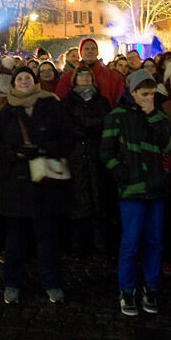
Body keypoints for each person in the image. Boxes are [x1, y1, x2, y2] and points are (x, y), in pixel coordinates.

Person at [0, 66, 74, 304]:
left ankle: (52, 282)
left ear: (35, 82)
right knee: (16, 240)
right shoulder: (7, 112)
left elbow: (68, 138)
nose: (24, 81)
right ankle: (12, 283)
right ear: (14, 84)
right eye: (20, 78)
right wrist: (16, 153)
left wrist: (44, 149)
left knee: (47, 238)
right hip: (15, 187)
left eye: (28, 77)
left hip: (45, 185)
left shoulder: (52, 105)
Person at [101, 69, 171, 316]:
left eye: (152, 94)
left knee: (154, 241)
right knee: (130, 243)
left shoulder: (159, 115)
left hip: (155, 188)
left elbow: (168, 145)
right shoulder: (117, 116)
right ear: (132, 93)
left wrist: (153, 116)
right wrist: (121, 172)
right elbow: (107, 151)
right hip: (131, 189)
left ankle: (151, 287)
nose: (149, 99)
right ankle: (127, 289)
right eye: (144, 94)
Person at [61, 65, 114, 253]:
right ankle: (78, 240)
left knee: (98, 194)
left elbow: (106, 123)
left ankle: (99, 239)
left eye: (87, 75)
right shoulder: (68, 102)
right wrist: (86, 129)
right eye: (80, 75)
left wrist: (86, 128)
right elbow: (66, 126)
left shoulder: (101, 101)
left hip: (96, 152)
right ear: (75, 79)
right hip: (76, 154)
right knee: (78, 195)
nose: (84, 78)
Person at [55, 38, 125, 107]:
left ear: (97, 52)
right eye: (86, 49)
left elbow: (120, 99)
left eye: (93, 49)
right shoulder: (69, 77)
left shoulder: (112, 76)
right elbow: (60, 98)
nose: (90, 51)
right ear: (81, 53)